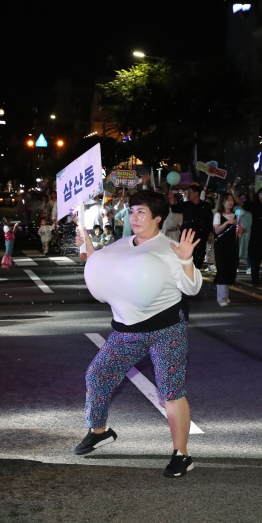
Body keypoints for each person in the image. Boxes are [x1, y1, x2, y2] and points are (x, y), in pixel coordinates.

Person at [73, 190, 202, 478]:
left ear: (158, 217)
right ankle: (99, 431)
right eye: (132, 212)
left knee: (170, 391)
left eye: (141, 212)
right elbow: (103, 270)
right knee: (97, 375)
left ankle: (182, 454)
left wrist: (185, 260)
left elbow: (192, 289)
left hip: (166, 329)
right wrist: (89, 247)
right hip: (127, 330)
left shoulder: (170, 248)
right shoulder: (121, 243)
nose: (134, 217)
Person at [234, 186, 262, 287]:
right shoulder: (254, 205)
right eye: (260, 194)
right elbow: (241, 203)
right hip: (255, 238)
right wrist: (232, 191)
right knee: (255, 262)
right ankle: (255, 281)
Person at [169, 184, 213, 269]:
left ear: (197, 193)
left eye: (190, 192)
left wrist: (210, 233)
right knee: (186, 255)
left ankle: (196, 273)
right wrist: (172, 200)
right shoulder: (186, 205)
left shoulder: (206, 205)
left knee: (199, 255)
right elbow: (175, 209)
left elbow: (209, 220)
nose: (188, 194)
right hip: (187, 235)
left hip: (201, 235)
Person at [212, 193, 239, 307]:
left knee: (231, 269)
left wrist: (239, 226)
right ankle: (221, 298)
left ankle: (226, 296)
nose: (230, 202)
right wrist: (228, 222)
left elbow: (239, 232)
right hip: (221, 246)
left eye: (232, 200)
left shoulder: (236, 215)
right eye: (228, 200)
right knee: (222, 269)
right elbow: (217, 230)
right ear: (222, 202)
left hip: (233, 245)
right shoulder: (218, 215)